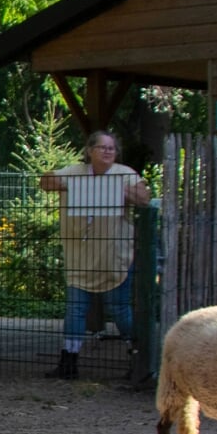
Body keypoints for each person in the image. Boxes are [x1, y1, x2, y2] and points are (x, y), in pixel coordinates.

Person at [38, 130, 151, 380]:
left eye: (112, 147)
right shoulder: (75, 171)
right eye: (102, 147)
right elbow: (46, 182)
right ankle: (69, 360)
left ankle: (138, 358)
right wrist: (67, 183)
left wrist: (116, 191)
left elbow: (144, 198)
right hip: (80, 254)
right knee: (75, 308)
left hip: (113, 256)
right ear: (89, 151)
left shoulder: (125, 174)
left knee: (120, 309)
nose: (108, 151)